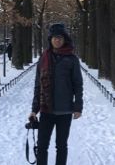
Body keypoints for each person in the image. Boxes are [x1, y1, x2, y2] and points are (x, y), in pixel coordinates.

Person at [29, 23, 83, 165]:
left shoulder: (72, 59)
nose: (57, 40)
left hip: (65, 110)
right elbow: (38, 86)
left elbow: (78, 84)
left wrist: (78, 107)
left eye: (60, 37)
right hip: (46, 110)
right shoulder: (43, 58)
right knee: (41, 147)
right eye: (54, 37)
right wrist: (34, 110)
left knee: (61, 146)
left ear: (64, 39)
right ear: (50, 39)